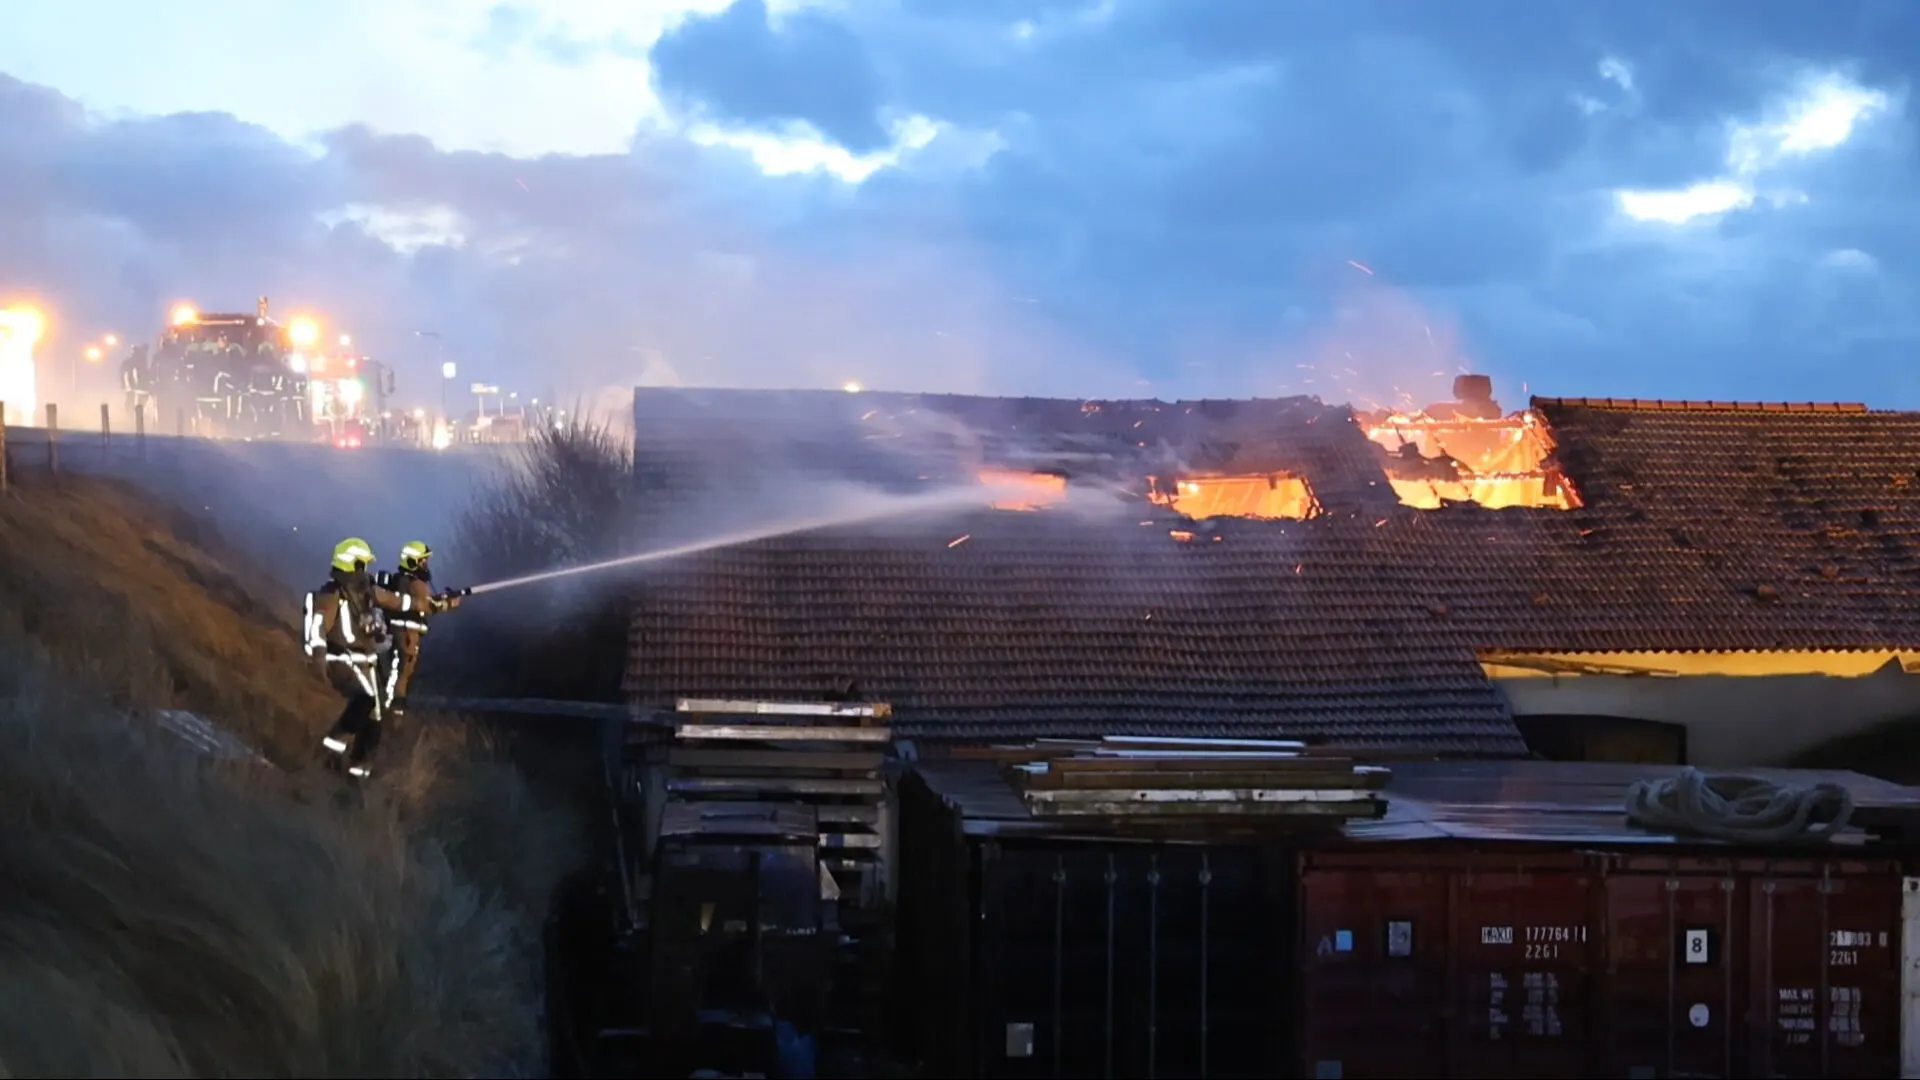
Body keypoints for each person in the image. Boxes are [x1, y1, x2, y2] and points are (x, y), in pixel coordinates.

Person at [304, 537, 421, 779]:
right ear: (354, 565)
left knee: (374, 722)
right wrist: (318, 657)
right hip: (341, 658)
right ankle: (329, 755)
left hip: (366, 660)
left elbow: (398, 601)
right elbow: (318, 627)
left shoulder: (367, 591)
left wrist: (427, 603)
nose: (366, 570)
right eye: (363, 564)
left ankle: (357, 776)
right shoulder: (332, 593)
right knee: (363, 702)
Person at [375, 540, 468, 720]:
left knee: (396, 672)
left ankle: (388, 710)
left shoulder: (401, 580)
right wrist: (451, 602)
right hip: (407, 635)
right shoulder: (415, 583)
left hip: (399, 632)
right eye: (422, 561)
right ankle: (390, 715)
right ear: (412, 562)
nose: (426, 565)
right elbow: (427, 606)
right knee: (401, 673)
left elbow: (424, 603)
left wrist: (443, 599)